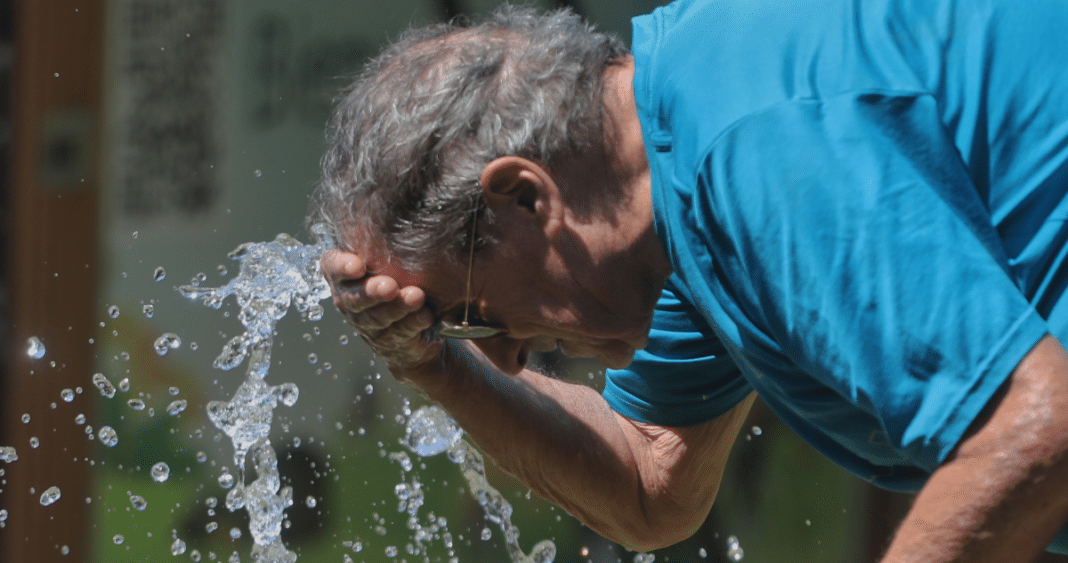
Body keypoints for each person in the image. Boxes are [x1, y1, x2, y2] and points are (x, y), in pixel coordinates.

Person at [315, 1, 1068, 561]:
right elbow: (649, 486)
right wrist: (434, 363)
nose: (507, 357)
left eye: (473, 315)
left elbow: (1037, 428)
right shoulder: (676, 187)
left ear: (524, 197)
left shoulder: (758, 149)